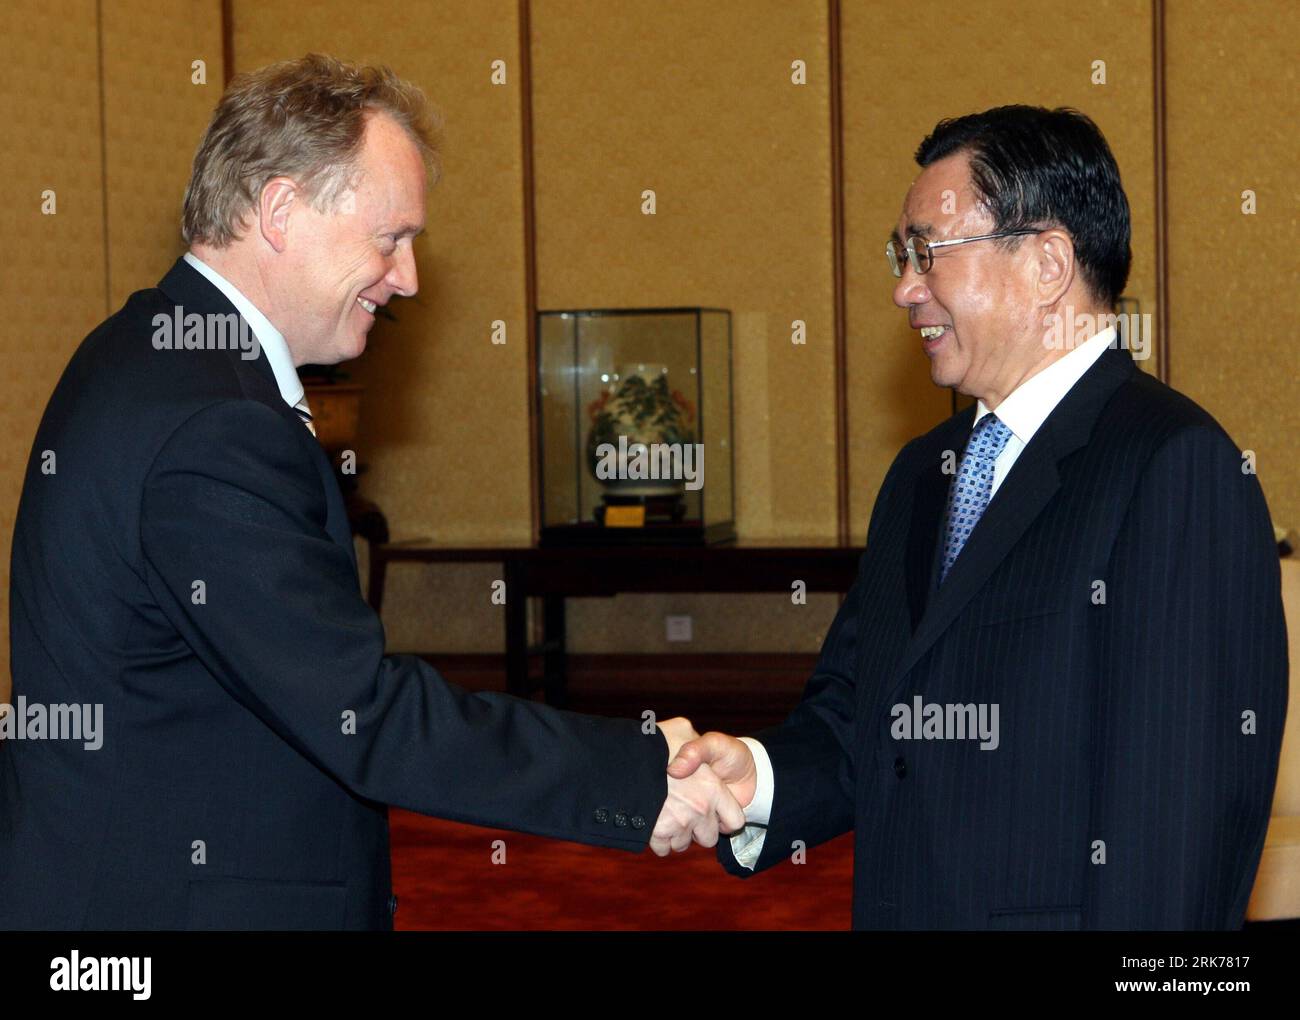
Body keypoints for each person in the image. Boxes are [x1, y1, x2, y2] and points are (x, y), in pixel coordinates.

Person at [0, 54, 740, 931]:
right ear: (280, 211)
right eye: (390, 238)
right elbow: (364, 714)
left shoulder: (144, 351)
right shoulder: (212, 421)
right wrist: (635, 770)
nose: (410, 278)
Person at [672, 105, 1289, 930]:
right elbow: (866, 713)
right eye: (902, 255)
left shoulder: (1174, 469)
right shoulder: (924, 472)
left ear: (1047, 263)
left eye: (928, 252)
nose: (902, 287)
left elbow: (1175, 833)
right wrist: (761, 775)